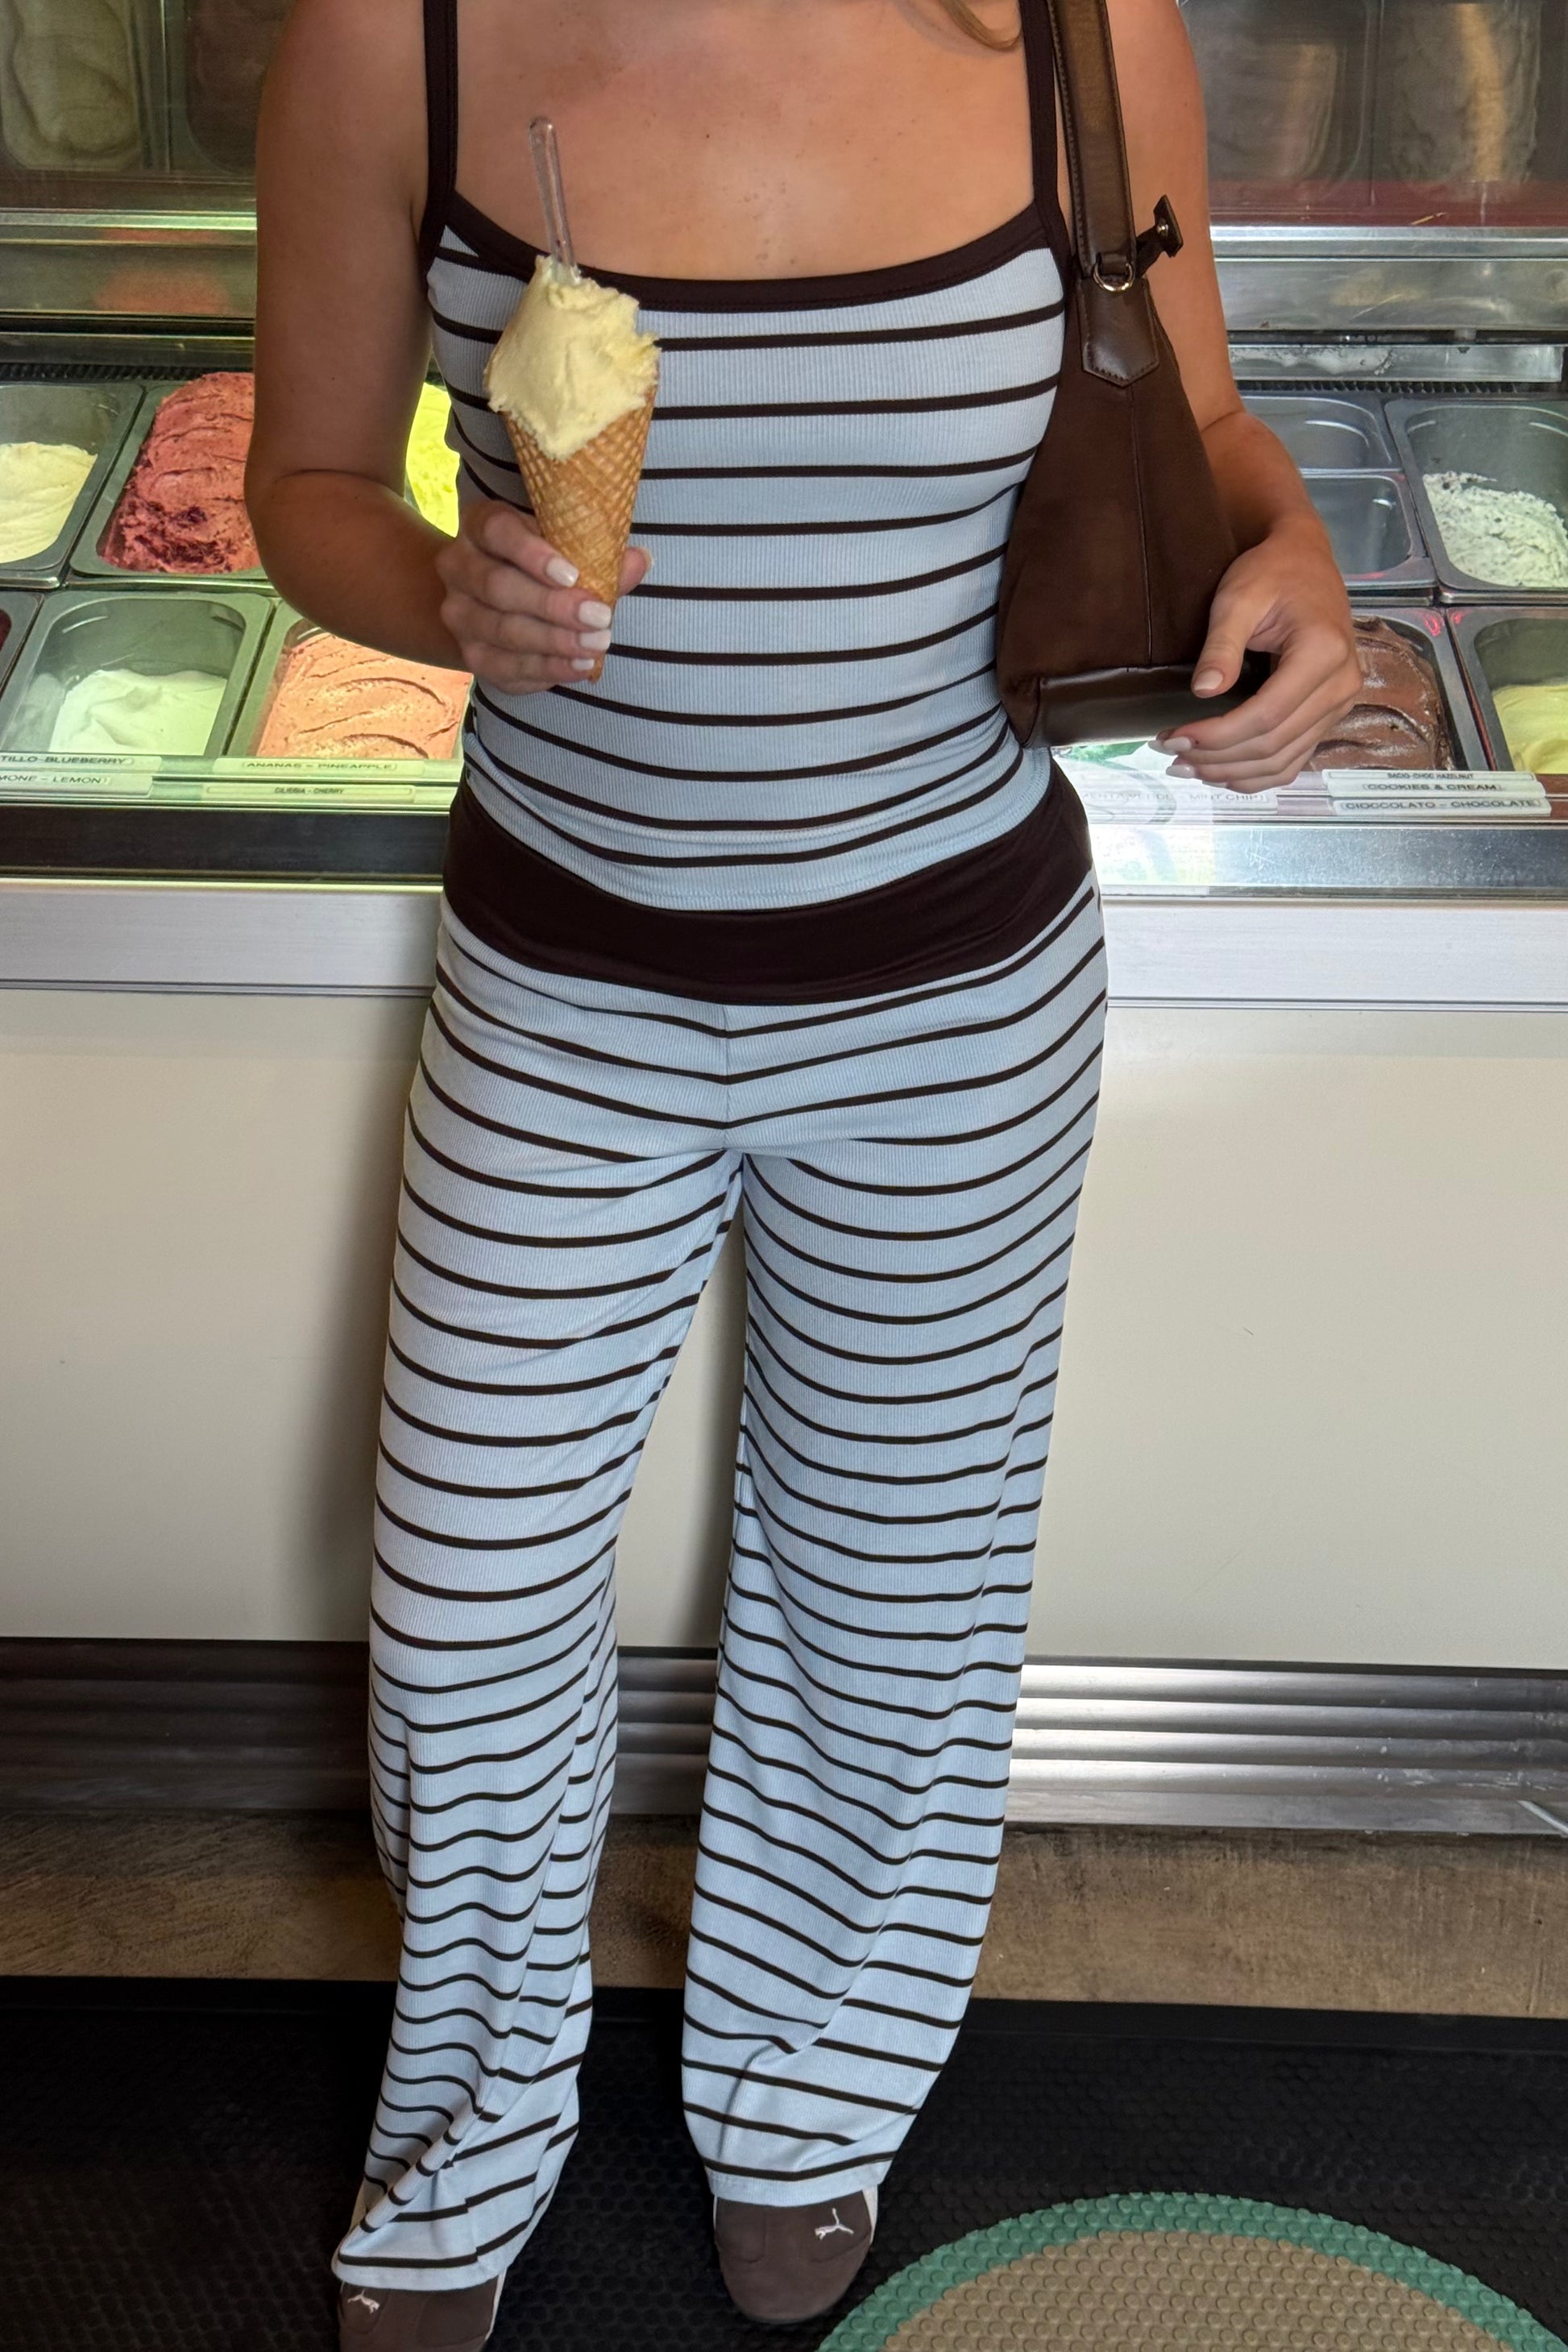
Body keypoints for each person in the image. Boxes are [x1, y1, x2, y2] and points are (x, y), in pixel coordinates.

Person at [247, 1, 1359, 2342]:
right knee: (465, 1612)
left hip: (957, 996)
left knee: (894, 1595)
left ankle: (809, 2097)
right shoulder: (395, 40)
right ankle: (469, 2136)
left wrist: (1295, 572)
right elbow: (309, 480)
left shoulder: (1078, 32)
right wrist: (441, 589)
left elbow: (1203, 424)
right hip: (563, 989)